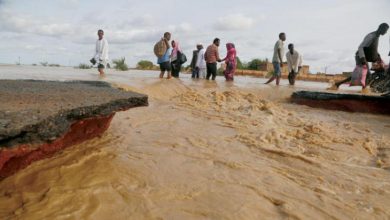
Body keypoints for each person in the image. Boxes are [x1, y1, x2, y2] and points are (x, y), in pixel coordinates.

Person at [333, 23, 389, 89]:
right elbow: (360, 47)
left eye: (387, 31)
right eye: (385, 30)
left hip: (366, 57)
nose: (386, 32)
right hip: (360, 56)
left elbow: (373, 47)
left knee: (362, 74)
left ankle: (339, 84)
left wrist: (378, 56)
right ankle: (364, 91)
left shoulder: (377, 36)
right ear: (380, 28)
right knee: (364, 74)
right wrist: (363, 59)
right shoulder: (371, 36)